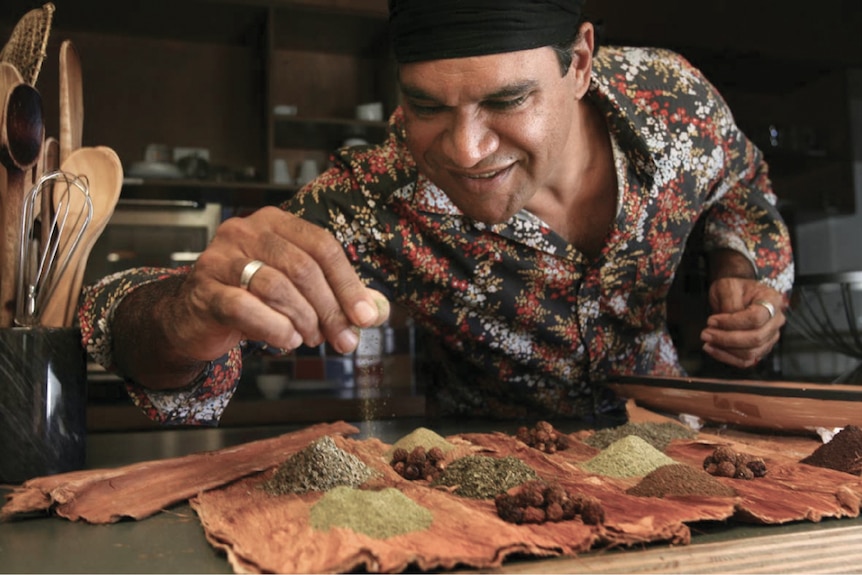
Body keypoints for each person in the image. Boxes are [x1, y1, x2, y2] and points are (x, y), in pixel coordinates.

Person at [80, 0, 793, 426]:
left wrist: (743, 267)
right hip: (490, 481)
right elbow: (125, 325)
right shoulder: (380, 193)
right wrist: (184, 312)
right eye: (426, 106)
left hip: (679, 437)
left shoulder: (672, 101)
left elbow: (743, 183)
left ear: (578, 61)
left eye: (507, 101)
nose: (466, 150)